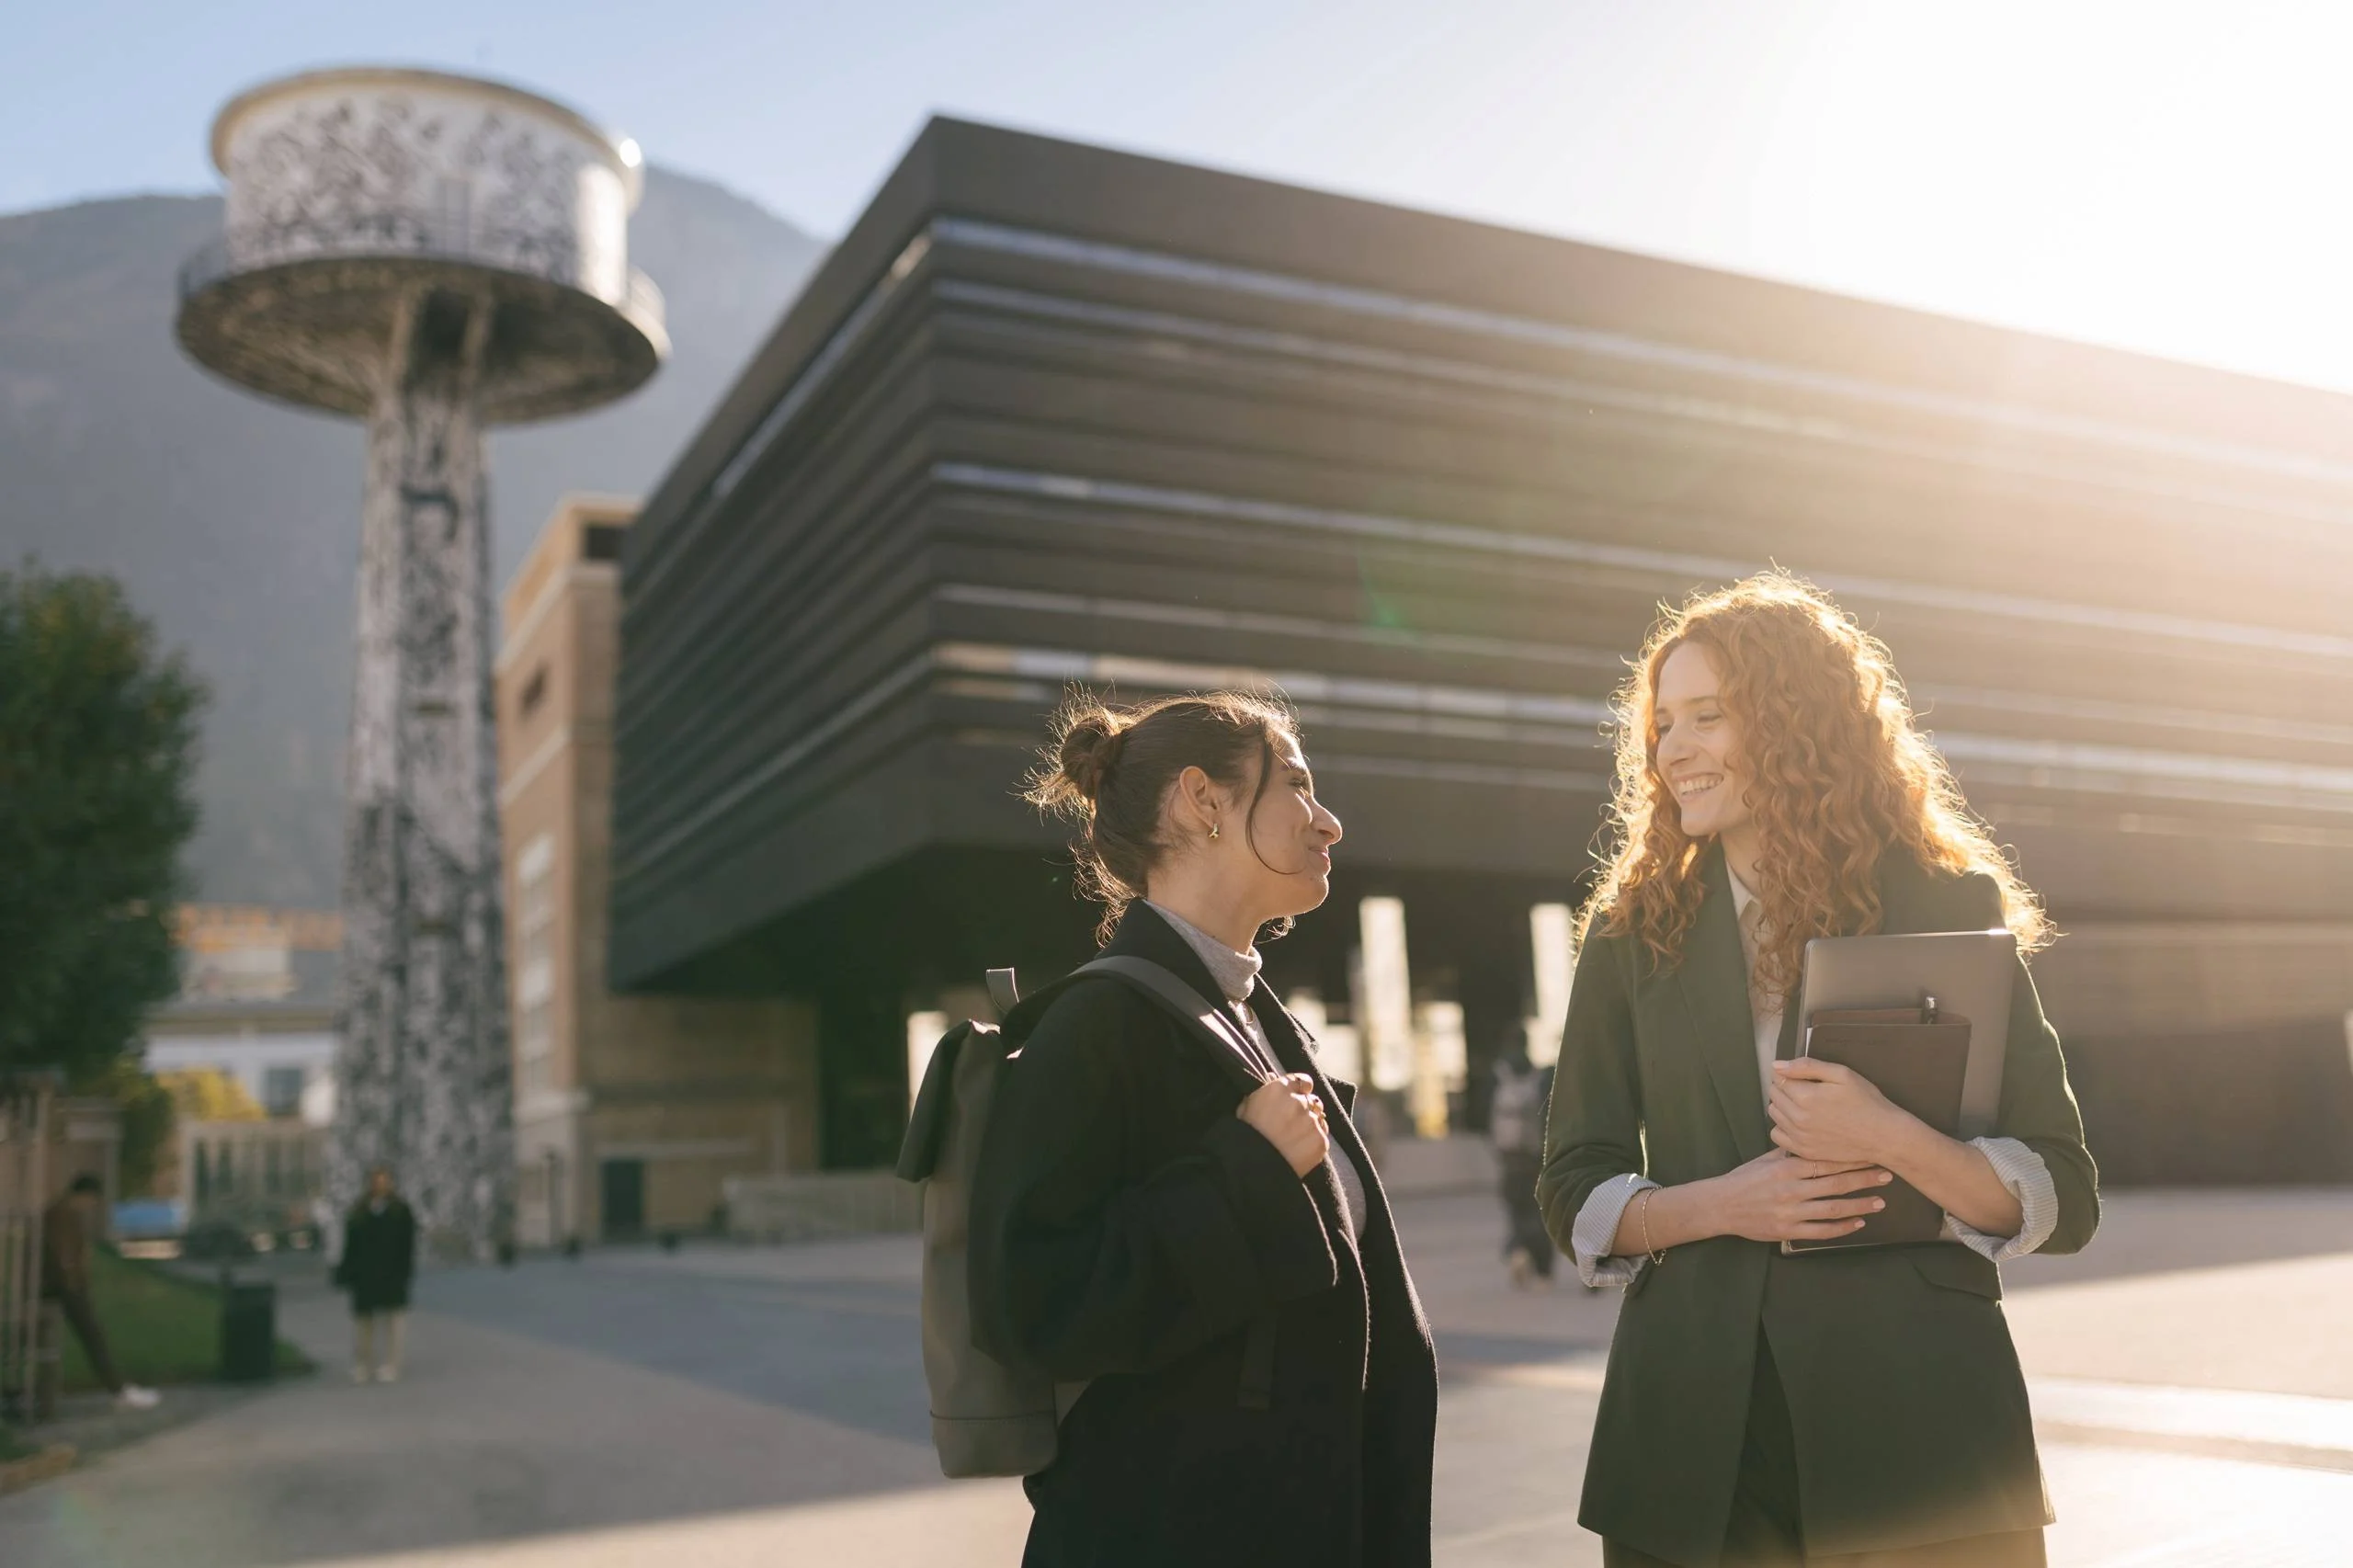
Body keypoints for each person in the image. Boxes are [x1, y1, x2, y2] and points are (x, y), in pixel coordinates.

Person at [1540, 574, 2098, 1567]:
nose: (1673, 749)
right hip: (1693, 1437)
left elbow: (2062, 1190)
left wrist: (1889, 1135)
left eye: (1707, 715)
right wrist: (1720, 1203)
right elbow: (1570, 1183)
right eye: (1662, 722)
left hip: (1920, 1428)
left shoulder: (1942, 897)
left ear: (1797, 721)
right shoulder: (1632, 935)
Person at [969, 691, 1439, 1568]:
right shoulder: (1100, 1021)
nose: (1329, 822)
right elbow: (1030, 1302)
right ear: (1205, 801)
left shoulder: (1259, 1020)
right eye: (1297, 785)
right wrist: (1248, 1169)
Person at [40, 1175, 161, 1410]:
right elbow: (63, 1251)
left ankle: (115, 1388)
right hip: (65, 1286)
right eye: (92, 1200)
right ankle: (118, 1389)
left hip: (62, 1284)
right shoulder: (63, 1214)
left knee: (86, 1335)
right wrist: (74, 1279)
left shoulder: (61, 1212)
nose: (92, 1206)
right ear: (85, 1195)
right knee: (93, 1335)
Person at [334, 1167, 417, 1384]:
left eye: (384, 1181)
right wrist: (346, 1271)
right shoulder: (359, 1210)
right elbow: (350, 1245)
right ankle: (363, 1364)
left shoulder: (401, 1210)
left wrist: (406, 1272)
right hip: (365, 1275)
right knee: (363, 1324)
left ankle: (392, 1364)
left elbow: (408, 1245)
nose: (380, 1185)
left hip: (393, 1274)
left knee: (394, 1323)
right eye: (377, 1181)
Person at [1488, 1048, 1559, 1289]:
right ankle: (1542, 1270)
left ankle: (1518, 1250)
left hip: (1509, 1159)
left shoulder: (1500, 1079)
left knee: (1516, 1212)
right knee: (1538, 1213)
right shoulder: (1540, 1080)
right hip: (1535, 1158)